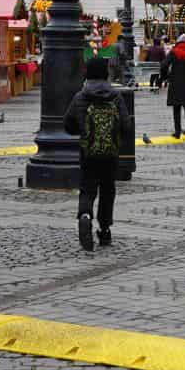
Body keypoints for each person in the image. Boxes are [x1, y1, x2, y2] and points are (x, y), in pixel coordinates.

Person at [64, 58, 131, 251]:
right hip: (110, 152)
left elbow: (68, 124)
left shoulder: (80, 96)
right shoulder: (115, 96)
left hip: (88, 151)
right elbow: (126, 125)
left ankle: (85, 216)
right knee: (108, 189)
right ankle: (105, 230)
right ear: (105, 73)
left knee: (87, 188)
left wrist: (84, 132)